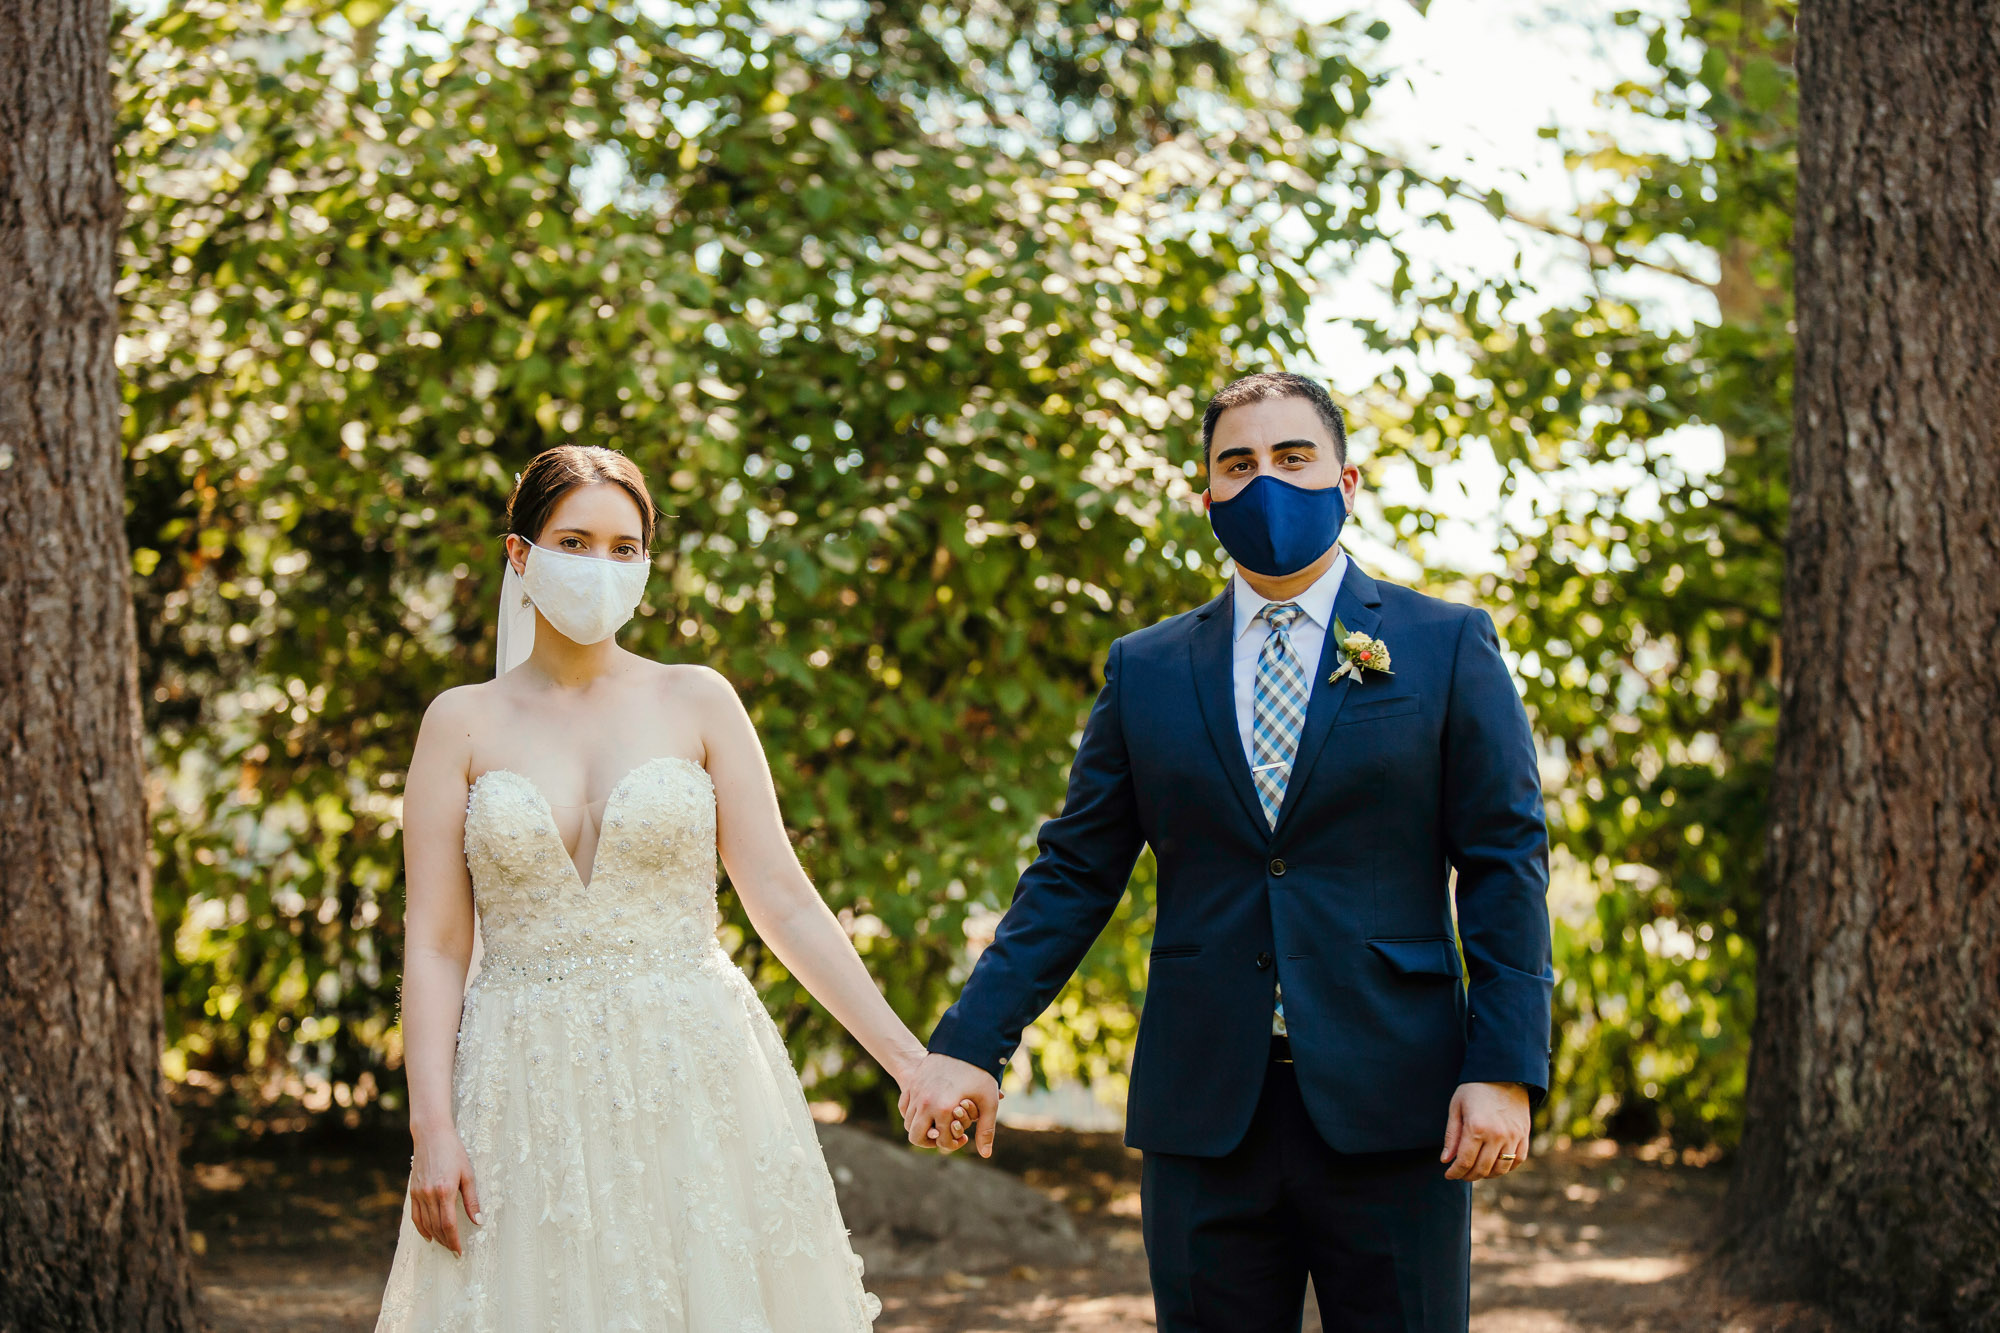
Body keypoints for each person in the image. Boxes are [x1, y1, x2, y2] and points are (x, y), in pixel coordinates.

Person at [899, 372, 1555, 1332]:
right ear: (1205, 495)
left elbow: (1504, 861)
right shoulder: (1148, 667)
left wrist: (1504, 1066)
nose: (1266, 484)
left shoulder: (1446, 644)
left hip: (1397, 1102)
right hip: (1205, 1110)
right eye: (1237, 465)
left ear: (1348, 481)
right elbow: (1074, 875)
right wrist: (969, 1044)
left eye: (1294, 458)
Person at [374, 445, 974, 1330]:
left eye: (625, 548)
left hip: (693, 1075)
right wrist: (432, 1126)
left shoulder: (698, 700)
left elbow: (784, 899)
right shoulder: (458, 722)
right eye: (575, 541)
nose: (601, 568)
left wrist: (910, 1061)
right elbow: (433, 942)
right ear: (520, 554)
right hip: (519, 1081)